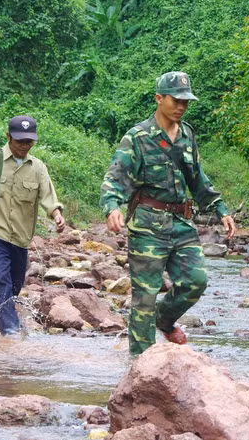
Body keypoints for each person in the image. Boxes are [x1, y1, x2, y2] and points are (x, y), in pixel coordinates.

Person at [100, 71, 236, 355]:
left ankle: (164, 319)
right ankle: (141, 363)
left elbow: (198, 179)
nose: (182, 106)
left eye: (186, 101)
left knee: (195, 282)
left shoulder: (187, 134)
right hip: (148, 226)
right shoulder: (137, 137)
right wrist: (112, 206)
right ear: (159, 99)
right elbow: (116, 177)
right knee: (144, 298)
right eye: (176, 100)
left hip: (181, 223)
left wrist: (221, 209)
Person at [0, 115, 66, 335]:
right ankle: (11, 334)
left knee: (13, 287)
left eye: (28, 142)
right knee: (1, 282)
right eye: (19, 141)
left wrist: (56, 213)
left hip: (21, 238)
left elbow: (47, 195)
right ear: (8, 136)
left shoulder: (38, 167)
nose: (24, 146)